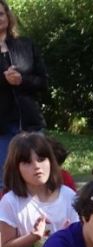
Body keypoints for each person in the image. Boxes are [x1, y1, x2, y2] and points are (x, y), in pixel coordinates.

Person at [0, 1, 46, 167]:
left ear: (8, 16)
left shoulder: (26, 45)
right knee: (4, 177)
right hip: (2, 129)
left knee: (39, 172)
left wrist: (22, 80)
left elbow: (43, 81)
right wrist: (4, 80)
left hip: (30, 123)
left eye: (0, 14)